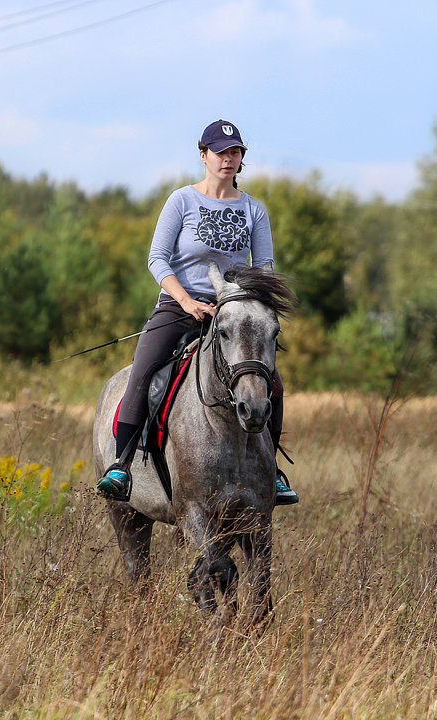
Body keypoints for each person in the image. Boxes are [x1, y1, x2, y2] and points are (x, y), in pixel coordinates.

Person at [96, 119, 299, 506]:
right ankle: (121, 465)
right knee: (144, 370)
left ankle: (271, 470)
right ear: (203, 154)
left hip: (233, 310)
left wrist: (249, 301)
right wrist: (187, 301)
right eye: (220, 152)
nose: (228, 159)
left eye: (235, 152)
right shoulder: (182, 201)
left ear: (241, 160)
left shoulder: (254, 209)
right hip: (180, 304)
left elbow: (266, 265)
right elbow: (157, 259)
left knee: (270, 380)